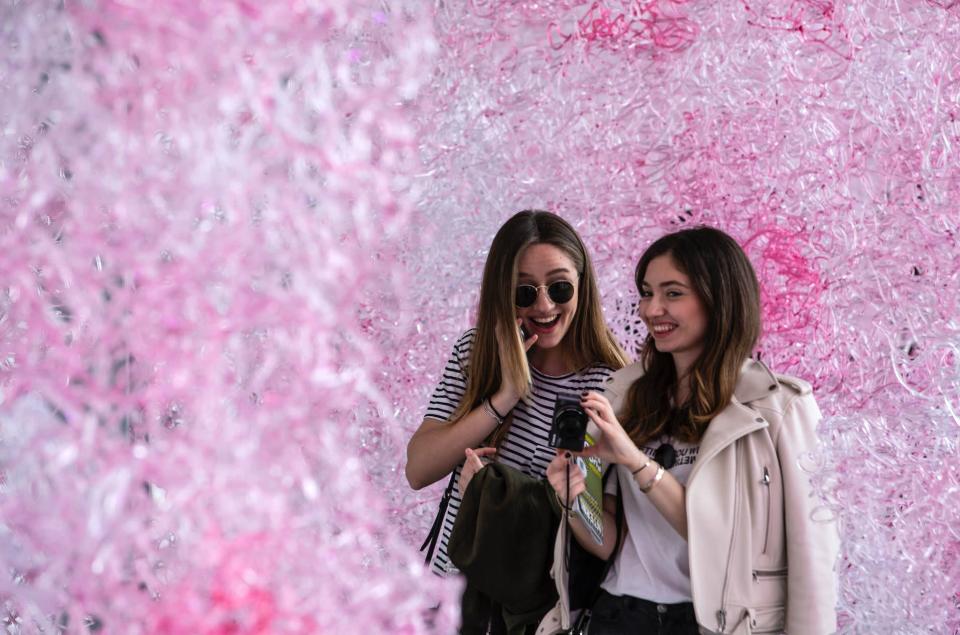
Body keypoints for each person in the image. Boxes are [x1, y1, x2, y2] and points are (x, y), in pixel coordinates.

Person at [546, 226, 839, 635]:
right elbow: (606, 541)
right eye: (647, 292)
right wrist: (576, 500)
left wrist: (635, 461)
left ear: (718, 299)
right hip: (620, 616)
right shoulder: (624, 396)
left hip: (717, 623)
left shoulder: (777, 409)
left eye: (673, 293)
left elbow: (813, 558)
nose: (652, 309)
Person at [405, 210, 628, 586]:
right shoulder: (476, 353)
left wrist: (566, 493)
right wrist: (503, 397)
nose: (544, 307)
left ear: (582, 283)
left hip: (534, 609)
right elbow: (418, 470)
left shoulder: (609, 386)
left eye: (559, 288)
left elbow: (607, 537)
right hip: (452, 594)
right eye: (524, 292)